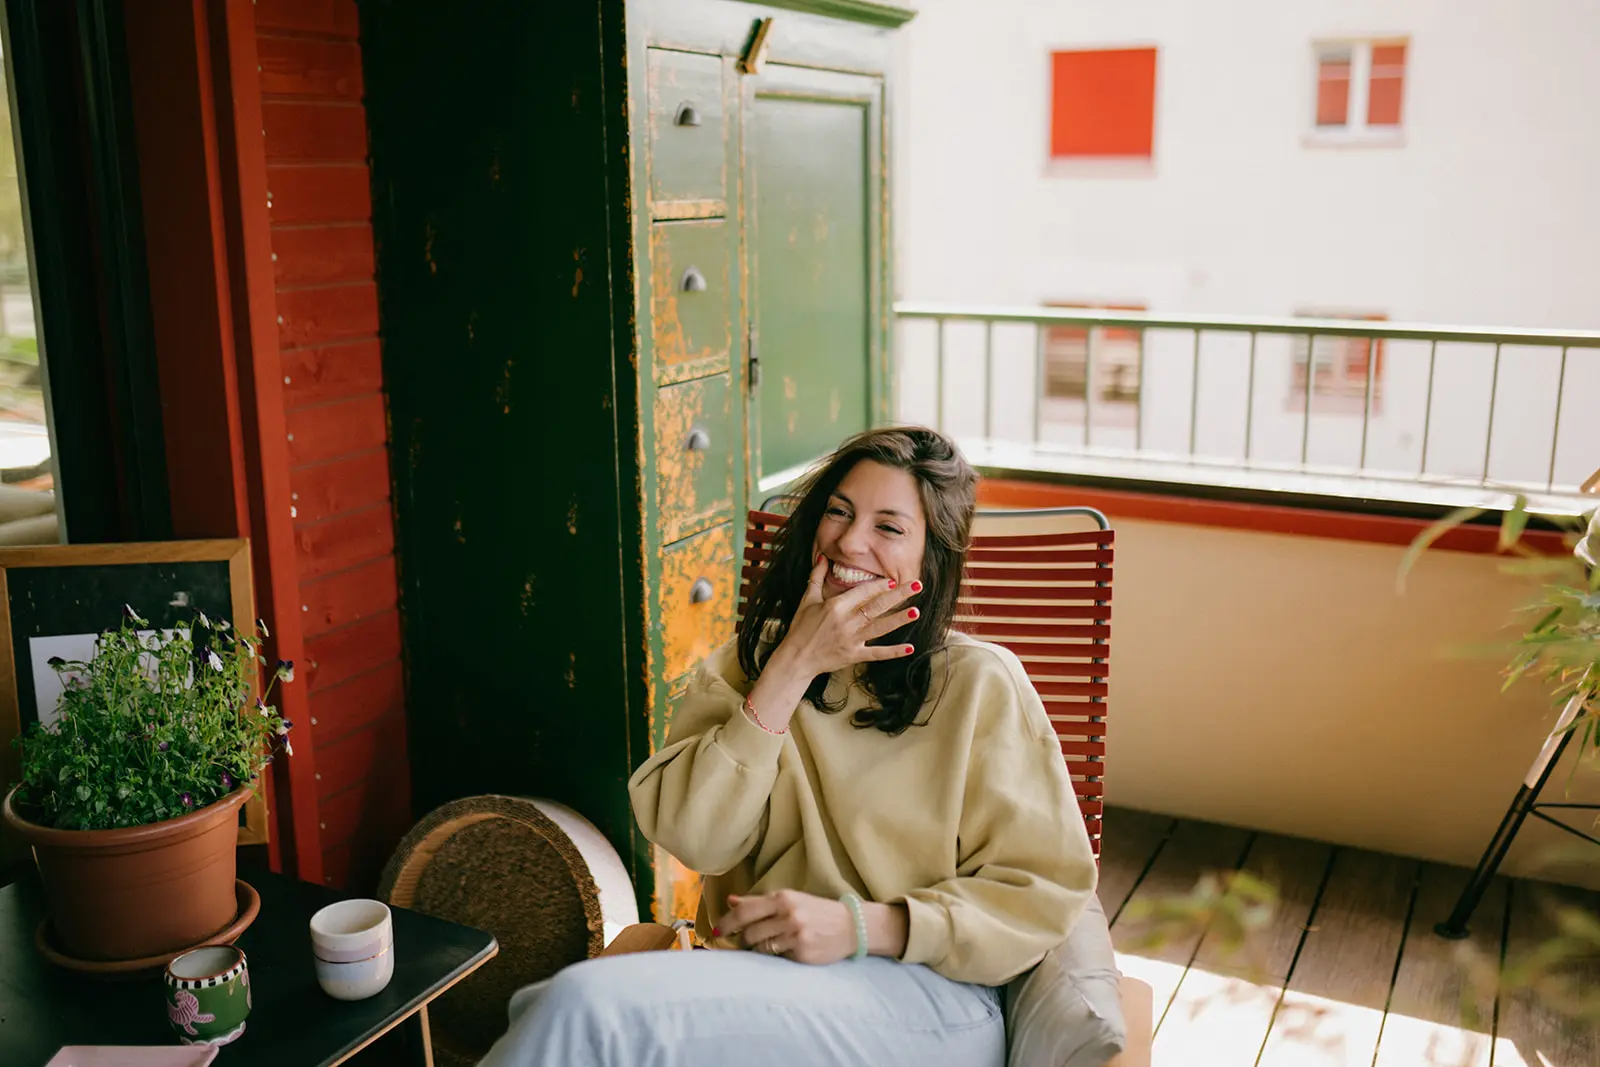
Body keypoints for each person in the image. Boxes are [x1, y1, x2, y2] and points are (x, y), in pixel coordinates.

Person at [481, 426, 1097, 1067]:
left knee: (583, 1010)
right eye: (839, 511)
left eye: (889, 527)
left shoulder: (979, 683)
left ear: (931, 559)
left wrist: (861, 927)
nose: (849, 542)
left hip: (932, 995)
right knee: (550, 1008)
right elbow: (695, 839)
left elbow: (1044, 889)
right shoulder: (748, 665)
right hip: (763, 981)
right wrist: (791, 668)